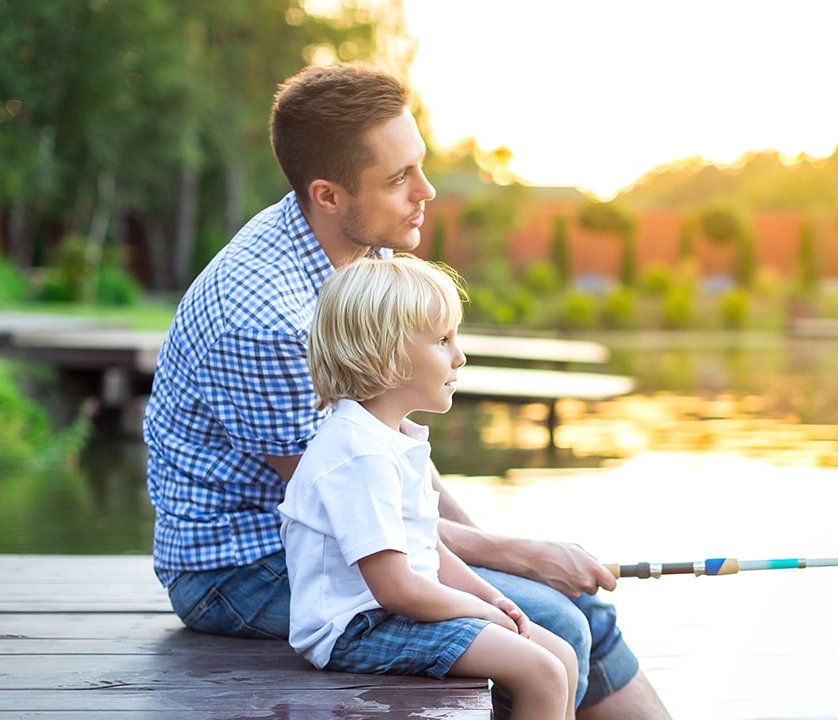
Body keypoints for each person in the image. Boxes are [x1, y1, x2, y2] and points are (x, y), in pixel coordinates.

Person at [142, 62, 671, 719]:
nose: (425, 191)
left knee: (576, 608)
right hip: (241, 571)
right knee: (552, 624)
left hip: (349, 536)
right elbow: (354, 506)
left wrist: (507, 557)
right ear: (328, 194)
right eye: (399, 179)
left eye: (418, 166)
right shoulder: (267, 321)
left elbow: (398, 470)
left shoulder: (365, 255)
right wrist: (510, 558)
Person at [279, 255, 577, 718]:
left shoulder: (393, 439)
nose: (460, 356)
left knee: (561, 656)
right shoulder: (359, 454)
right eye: (442, 340)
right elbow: (395, 588)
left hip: (397, 613)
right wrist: (479, 613)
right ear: (387, 355)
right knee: (541, 671)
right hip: (356, 629)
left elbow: (431, 549)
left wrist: (491, 598)